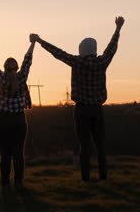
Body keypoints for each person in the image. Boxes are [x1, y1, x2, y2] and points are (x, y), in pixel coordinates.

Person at [33, 16, 125, 181]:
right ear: (95, 50)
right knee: (100, 145)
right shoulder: (102, 62)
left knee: (85, 146)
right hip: (97, 109)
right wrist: (118, 28)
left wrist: (40, 41)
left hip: (82, 110)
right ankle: (103, 177)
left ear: (81, 50)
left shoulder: (76, 62)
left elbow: (57, 53)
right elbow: (112, 47)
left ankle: (86, 179)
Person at [0, 30, 36, 190]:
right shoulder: (22, 77)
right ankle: (18, 182)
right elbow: (28, 60)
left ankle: (5, 182)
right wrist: (33, 43)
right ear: (17, 68)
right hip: (19, 120)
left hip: (3, 120)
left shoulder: (0, 78)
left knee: (4, 153)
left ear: (4, 68)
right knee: (18, 153)